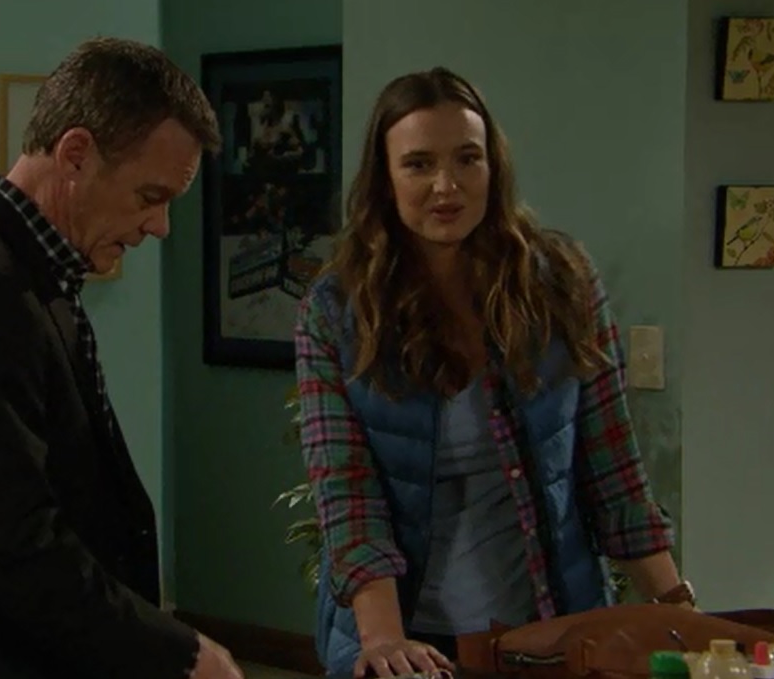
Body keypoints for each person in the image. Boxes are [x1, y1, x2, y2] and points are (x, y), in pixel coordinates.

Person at [0, 37, 244, 679]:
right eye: (149, 196)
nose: (160, 227)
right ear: (75, 154)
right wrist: (175, 652)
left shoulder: (31, 276)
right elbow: (11, 545)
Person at [294, 67, 693, 679]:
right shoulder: (337, 312)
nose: (446, 185)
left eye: (467, 159)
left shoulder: (562, 283)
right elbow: (347, 492)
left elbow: (615, 473)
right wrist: (386, 643)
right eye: (419, 164)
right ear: (386, 179)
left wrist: (680, 612)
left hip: (551, 627)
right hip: (409, 633)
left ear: (493, 167)